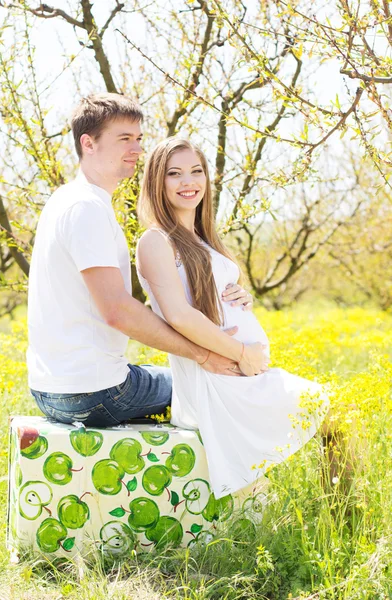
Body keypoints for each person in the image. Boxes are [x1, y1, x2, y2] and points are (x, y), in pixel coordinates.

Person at [27, 93, 266, 427]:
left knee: (174, 377)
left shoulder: (68, 200)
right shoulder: (86, 209)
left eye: (138, 139)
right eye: (124, 138)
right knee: (212, 387)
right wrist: (206, 355)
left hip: (58, 386)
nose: (137, 150)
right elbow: (117, 310)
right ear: (88, 143)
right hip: (92, 391)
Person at [136, 137, 331, 499]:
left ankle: (337, 517)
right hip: (218, 377)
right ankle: (342, 513)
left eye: (196, 171)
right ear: (156, 182)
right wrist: (242, 354)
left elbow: (207, 295)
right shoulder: (156, 241)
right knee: (326, 408)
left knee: (256, 492)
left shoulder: (203, 238)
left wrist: (242, 296)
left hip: (238, 375)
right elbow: (178, 315)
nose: (188, 181)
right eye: (174, 173)